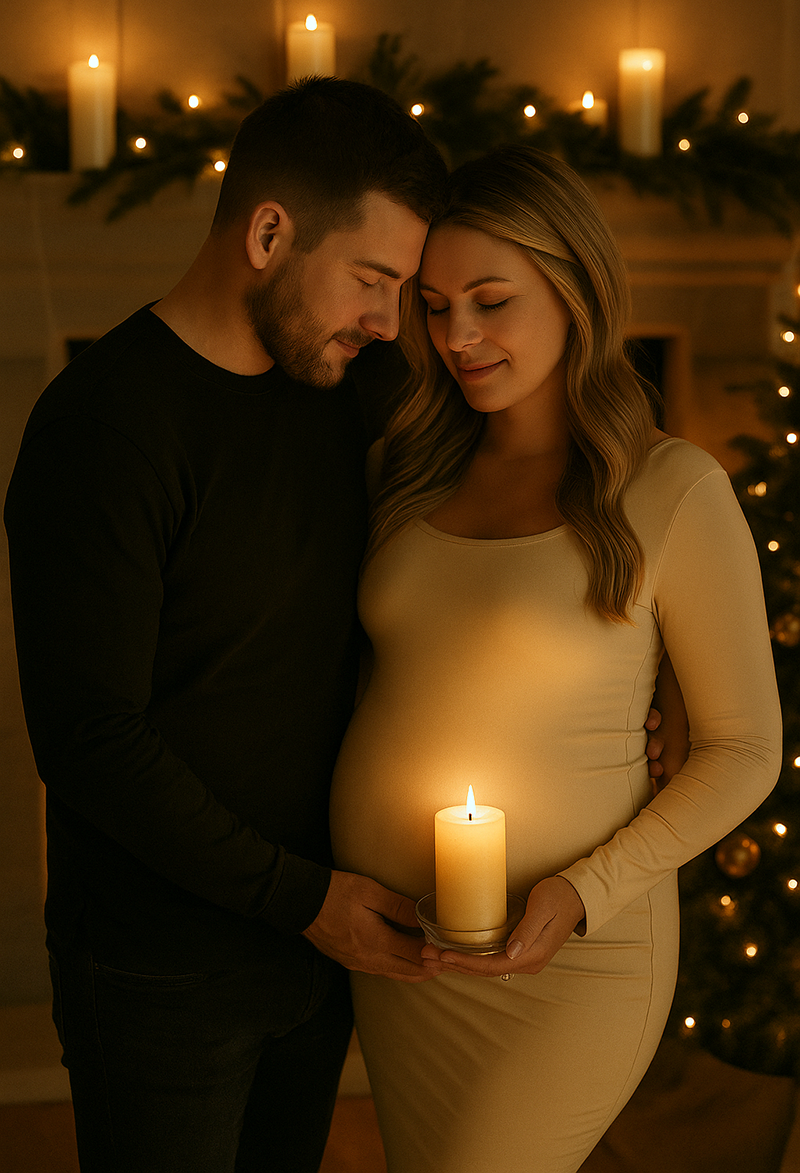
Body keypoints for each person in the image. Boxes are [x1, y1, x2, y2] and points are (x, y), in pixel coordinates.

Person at [3, 77, 449, 1173]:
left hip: (316, 951)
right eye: (372, 279)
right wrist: (308, 902)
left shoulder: (351, 385)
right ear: (266, 232)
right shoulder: (103, 426)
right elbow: (88, 738)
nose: (389, 321)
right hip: (161, 976)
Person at [329, 145, 782, 1173]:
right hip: (403, 950)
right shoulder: (400, 469)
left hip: (575, 955)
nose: (457, 337)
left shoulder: (672, 489)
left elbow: (744, 747)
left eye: (492, 301)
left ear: (575, 289)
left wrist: (583, 891)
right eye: (435, 306)